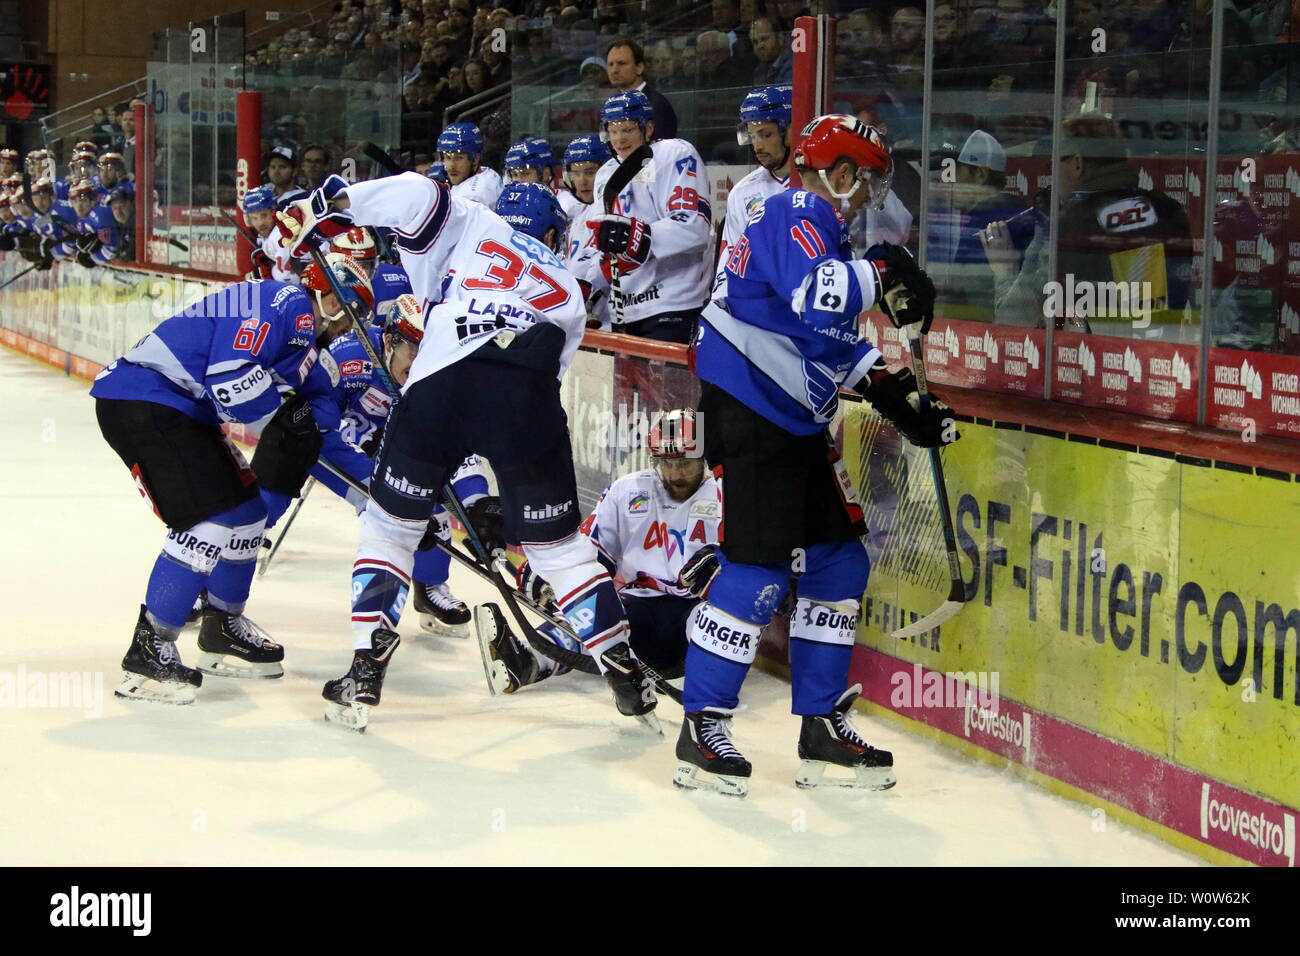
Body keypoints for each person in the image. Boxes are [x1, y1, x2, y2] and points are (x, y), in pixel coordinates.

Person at [275, 171, 658, 731]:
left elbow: (417, 192)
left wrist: (334, 205)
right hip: (528, 394)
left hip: (446, 379)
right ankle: (620, 666)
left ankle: (364, 665)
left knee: (390, 531)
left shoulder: (476, 222)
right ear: (552, 232)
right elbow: (542, 375)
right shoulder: (568, 285)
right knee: (560, 551)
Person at [682, 114, 956, 796]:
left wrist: (896, 397)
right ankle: (702, 725)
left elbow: (824, 340)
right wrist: (883, 268)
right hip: (750, 410)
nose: (869, 196)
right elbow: (818, 298)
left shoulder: (817, 228)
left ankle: (819, 726)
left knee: (838, 559)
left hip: (792, 419)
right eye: (866, 181)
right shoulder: (799, 209)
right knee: (759, 566)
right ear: (840, 173)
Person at [89, 264, 364, 701]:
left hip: (180, 411)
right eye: (353, 313)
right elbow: (230, 375)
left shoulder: (304, 340)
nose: (354, 325)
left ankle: (221, 628)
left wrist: (369, 487)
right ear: (331, 301)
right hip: (146, 400)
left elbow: (318, 418)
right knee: (209, 522)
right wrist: (283, 414)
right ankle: (149, 651)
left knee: (249, 514)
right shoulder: (288, 306)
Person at [258, 286, 483, 636]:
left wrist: (478, 504)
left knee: (431, 504)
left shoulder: (441, 373)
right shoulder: (350, 356)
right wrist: (368, 477)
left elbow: (459, 450)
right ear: (391, 340)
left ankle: (430, 587)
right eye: (413, 349)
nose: (422, 362)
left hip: (389, 444)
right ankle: (216, 577)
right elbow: (319, 424)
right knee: (266, 499)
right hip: (323, 439)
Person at [478, 409, 721, 693]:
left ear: (703, 457)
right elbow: (593, 553)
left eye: (685, 462)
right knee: (592, 609)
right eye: (667, 463)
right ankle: (529, 663)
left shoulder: (723, 496)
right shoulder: (628, 490)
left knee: (715, 618)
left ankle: (712, 688)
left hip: (690, 614)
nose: (676, 473)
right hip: (634, 607)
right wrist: (553, 576)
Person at [583, 90, 713, 344]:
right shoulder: (605, 174)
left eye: (628, 129)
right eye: (613, 130)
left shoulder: (673, 153)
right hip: (623, 310)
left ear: (648, 128)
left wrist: (638, 237)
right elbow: (600, 243)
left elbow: (694, 226)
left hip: (673, 304)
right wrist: (588, 284)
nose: (620, 139)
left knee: (670, 384)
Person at [713, 85, 793, 300]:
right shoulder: (743, 192)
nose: (757, 146)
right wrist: (719, 308)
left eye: (765, 135)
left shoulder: (822, 183)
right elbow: (728, 261)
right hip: (762, 308)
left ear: (790, 131)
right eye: (752, 136)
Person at [328, 226, 414, 325]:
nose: (359, 273)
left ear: (373, 265)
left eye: (364, 266)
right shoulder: (320, 289)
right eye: (352, 266)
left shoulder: (401, 279)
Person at [605, 39, 679, 142]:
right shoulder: (612, 104)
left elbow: (662, 152)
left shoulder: (655, 104)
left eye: (621, 63)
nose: (614, 70)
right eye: (610, 64)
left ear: (639, 68)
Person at [436, 122, 503, 209]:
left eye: (458, 158)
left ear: (475, 159)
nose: (451, 166)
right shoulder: (488, 173)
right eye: (448, 158)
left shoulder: (471, 196)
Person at [242, 184, 297, 282]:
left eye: (264, 215)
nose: (260, 223)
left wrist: (267, 273)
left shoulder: (281, 235)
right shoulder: (265, 237)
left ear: (274, 211)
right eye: (254, 218)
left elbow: (287, 278)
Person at [62, 178, 120, 267]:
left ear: (93, 201)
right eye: (75, 201)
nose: (78, 206)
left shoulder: (100, 216)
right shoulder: (79, 214)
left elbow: (112, 250)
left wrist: (93, 259)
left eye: (83, 200)